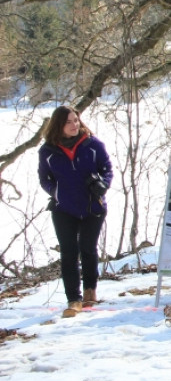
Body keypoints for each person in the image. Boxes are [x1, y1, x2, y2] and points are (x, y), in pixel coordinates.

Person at [38, 106, 113, 318]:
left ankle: (90, 289)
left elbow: (107, 169)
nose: (74, 125)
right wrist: (56, 191)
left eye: (76, 120)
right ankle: (74, 299)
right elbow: (44, 178)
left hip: (93, 205)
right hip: (63, 208)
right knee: (69, 252)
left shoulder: (93, 144)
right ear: (59, 125)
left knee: (87, 248)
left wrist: (102, 184)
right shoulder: (47, 151)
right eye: (69, 122)